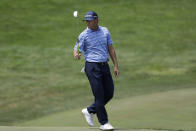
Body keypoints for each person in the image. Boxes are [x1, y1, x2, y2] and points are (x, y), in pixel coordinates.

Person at [73, 11, 119, 131]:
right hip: (92, 67)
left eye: (89, 20)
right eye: (86, 21)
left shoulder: (105, 31)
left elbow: (111, 49)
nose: (87, 23)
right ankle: (104, 123)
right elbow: (76, 49)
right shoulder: (83, 35)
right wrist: (76, 54)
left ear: (96, 20)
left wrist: (115, 66)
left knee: (109, 93)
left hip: (104, 66)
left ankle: (89, 110)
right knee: (99, 95)